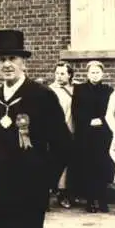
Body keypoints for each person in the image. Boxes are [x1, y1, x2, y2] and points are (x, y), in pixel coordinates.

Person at [0, 29, 72, 228]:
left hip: (30, 188)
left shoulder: (41, 95)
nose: (7, 65)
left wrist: (46, 180)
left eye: (12, 58)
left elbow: (64, 144)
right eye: (1, 59)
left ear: (24, 62)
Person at [71, 60, 114, 213]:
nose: (95, 75)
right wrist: (88, 120)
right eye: (92, 72)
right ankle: (90, 201)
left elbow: (110, 111)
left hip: (102, 134)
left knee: (102, 166)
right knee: (88, 167)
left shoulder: (108, 90)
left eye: (97, 72)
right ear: (87, 74)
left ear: (102, 73)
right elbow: (75, 110)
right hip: (86, 134)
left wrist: (101, 120)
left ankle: (102, 200)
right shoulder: (80, 90)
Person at [48, 61, 76, 208]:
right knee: (57, 162)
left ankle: (67, 192)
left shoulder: (75, 89)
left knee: (71, 163)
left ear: (69, 75)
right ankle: (56, 192)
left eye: (63, 74)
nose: (59, 76)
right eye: (57, 73)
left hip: (73, 130)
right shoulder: (49, 90)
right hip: (57, 132)